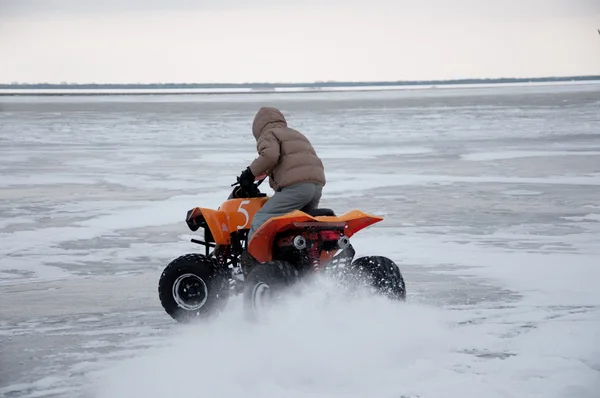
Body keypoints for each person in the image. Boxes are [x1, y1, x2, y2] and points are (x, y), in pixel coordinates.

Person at [237, 106, 326, 247]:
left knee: (262, 218)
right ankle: (303, 261)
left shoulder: (268, 134)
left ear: (257, 127)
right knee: (302, 227)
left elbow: (270, 155)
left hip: (297, 188)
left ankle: (254, 262)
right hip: (316, 186)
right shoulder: (295, 134)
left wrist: (249, 174)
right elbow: (292, 159)